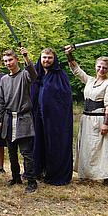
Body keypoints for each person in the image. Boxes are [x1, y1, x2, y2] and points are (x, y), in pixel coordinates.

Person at [64, 45, 108, 185]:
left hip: (100, 118)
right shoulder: (89, 80)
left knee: (103, 148)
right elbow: (76, 70)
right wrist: (69, 54)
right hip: (86, 118)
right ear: (95, 66)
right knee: (87, 147)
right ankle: (87, 175)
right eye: (99, 67)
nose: (101, 70)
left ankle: (107, 178)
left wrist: (106, 123)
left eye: (105, 68)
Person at [0, 48, 39, 192]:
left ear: (17, 60)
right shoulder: (4, 80)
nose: (8, 63)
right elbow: (1, 101)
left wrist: (26, 56)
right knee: (12, 153)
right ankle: (15, 178)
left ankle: (32, 181)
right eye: (6, 61)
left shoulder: (25, 75)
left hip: (23, 118)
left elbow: (33, 75)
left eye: (10, 60)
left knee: (26, 153)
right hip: (8, 119)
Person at [31, 48, 73, 186]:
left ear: (54, 59)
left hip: (55, 120)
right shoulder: (35, 75)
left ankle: (55, 174)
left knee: (55, 146)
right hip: (37, 117)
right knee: (37, 145)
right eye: (44, 57)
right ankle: (37, 171)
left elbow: (65, 100)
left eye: (49, 57)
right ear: (40, 58)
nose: (46, 60)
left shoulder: (61, 75)